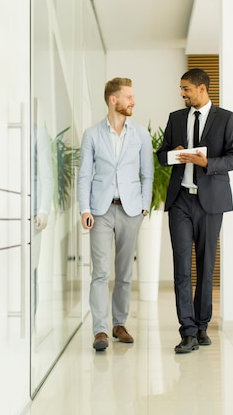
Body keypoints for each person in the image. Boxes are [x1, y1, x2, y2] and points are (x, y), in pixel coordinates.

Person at [156, 68, 233, 353]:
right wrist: (173, 154)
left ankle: (203, 325)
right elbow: (161, 154)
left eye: (186, 89)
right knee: (182, 268)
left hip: (211, 202)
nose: (182, 93)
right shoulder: (176, 118)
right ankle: (188, 331)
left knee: (206, 266)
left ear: (201, 88)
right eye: (181, 89)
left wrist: (207, 163)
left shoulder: (226, 118)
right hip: (180, 200)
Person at [78, 77, 154, 351]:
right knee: (100, 273)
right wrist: (85, 208)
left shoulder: (141, 135)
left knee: (124, 273)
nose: (133, 101)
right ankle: (99, 330)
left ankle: (119, 323)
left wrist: (144, 205)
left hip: (131, 210)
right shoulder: (92, 134)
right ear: (114, 100)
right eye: (129, 97)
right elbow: (85, 175)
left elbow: (148, 173)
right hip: (100, 210)